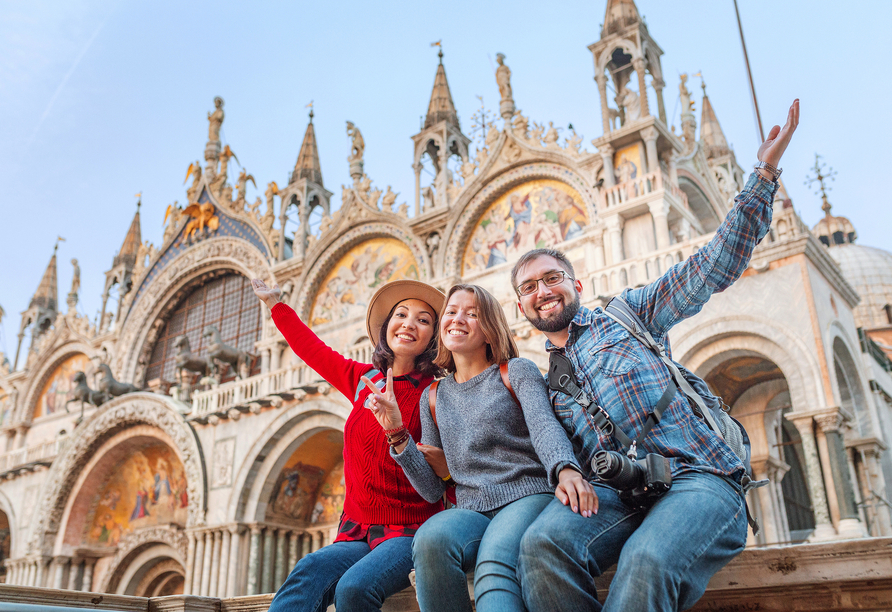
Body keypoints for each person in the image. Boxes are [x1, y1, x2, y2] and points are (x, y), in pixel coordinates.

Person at [513, 100, 799, 612]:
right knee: (541, 545)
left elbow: (711, 266)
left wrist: (764, 173)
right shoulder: (540, 382)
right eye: (530, 286)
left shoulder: (629, 315)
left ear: (576, 284)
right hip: (620, 495)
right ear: (521, 305)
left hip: (699, 479)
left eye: (552, 278)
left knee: (646, 560)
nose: (543, 291)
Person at [363, 283, 595, 612]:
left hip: (527, 496)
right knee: (430, 540)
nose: (458, 319)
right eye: (451, 312)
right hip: (471, 510)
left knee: (494, 559)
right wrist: (397, 434)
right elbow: (432, 489)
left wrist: (566, 469)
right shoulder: (434, 396)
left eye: (472, 314)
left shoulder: (516, 371)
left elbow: (545, 425)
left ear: (489, 329)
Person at [252, 278, 447, 612]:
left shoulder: (438, 394)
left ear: (433, 337)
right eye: (401, 314)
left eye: (423, 320)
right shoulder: (363, 381)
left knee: (355, 588)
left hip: (410, 532)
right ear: (387, 327)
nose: (409, 324)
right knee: (307, 571)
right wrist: (275, 306)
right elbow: (312, 350)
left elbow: (438, 480)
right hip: (357, 532)